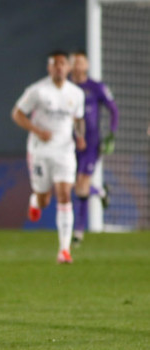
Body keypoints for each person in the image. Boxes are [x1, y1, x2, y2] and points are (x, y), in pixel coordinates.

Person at [11, 50, 86, 264]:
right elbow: (17, 113)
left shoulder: (76, 94)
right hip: (40, 151)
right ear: (49, 68)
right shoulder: (37, 91)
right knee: (44, 199)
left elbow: (78, 119)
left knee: (64, 194)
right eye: (55, 64)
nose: (59, 67)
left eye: (63, 64)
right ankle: (35, 200)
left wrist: (80, 137)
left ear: (68, 68)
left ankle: (64, 250)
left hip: (64, 150)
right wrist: (37, 130)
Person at [69, 50, 119, 244]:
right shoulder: (66, 88)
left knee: (81, 186)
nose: (78, 66)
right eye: (74, 62)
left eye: (81, 62)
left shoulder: (96, 87)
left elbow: (113, 109)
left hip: (91, 143)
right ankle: (100, 192)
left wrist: (111, 134)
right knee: (77, 187)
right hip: (69, 144)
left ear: (87, 65)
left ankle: (78, 232)